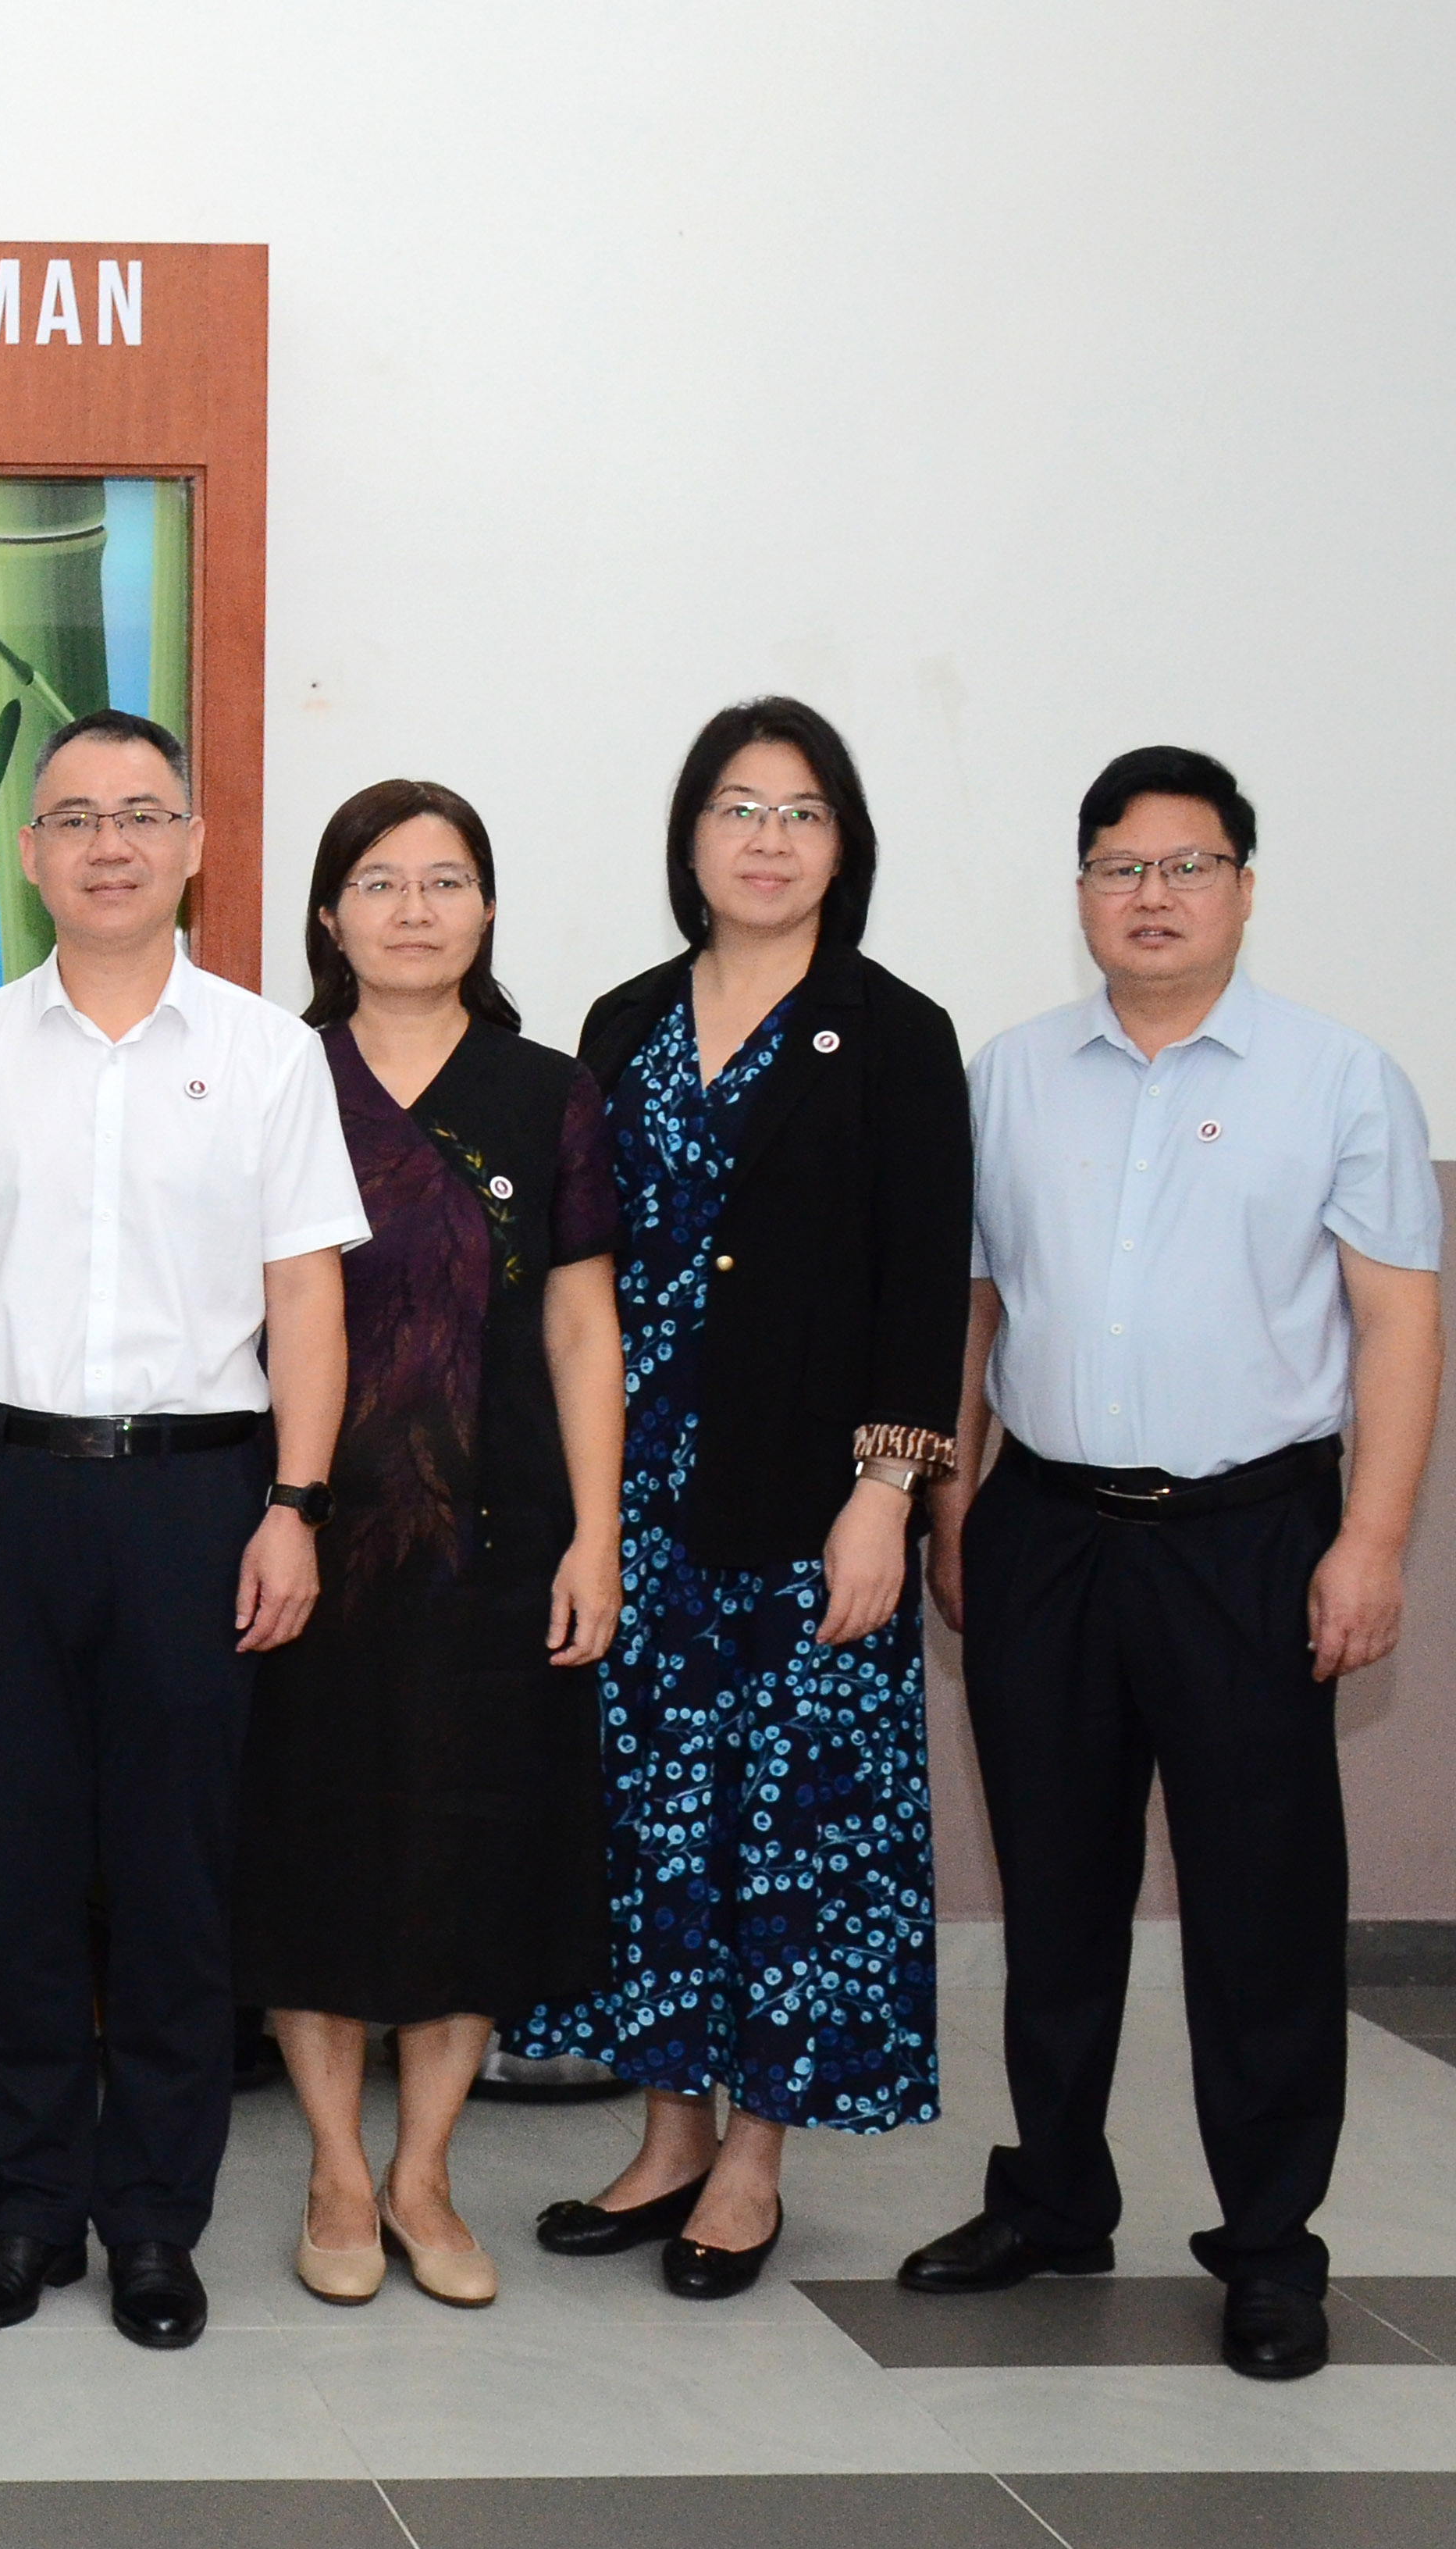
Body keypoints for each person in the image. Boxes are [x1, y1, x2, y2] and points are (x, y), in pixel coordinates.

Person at [901, 747, 1440, 2381]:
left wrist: (1371, 1539)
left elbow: (1396, 1320)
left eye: (1184, 866)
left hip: (1252, 1538)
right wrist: (950, 1506)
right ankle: (1055, 2196)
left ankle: (1269, 2246)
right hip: (1045, 1527)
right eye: (1119, 868)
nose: (1150, 896)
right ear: (1079, 891)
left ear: (1243, 886)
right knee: (1053, 1897)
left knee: (1261, 1911)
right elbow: (971, 1311)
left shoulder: (1341, 1077)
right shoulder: (1007, 1073)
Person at [0, 708, 365, 2350]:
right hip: (0, 1492)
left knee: (170, 1885)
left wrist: (294, 1505)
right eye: (73, 818)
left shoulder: (271, 1052)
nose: (107, 844)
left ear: (194, 844)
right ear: (29, 854)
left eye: (141, 814)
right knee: (13, 1872)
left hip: (197, 1502)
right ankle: (23, 2218)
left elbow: (305, 1298)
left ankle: (153, 2223)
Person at [521, 697, 969, 2299]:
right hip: (634, 1508)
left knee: (794, 1840)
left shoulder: (891, 1033)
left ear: (842, 846)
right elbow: (573, 1280)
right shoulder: (623, 1020)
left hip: (807, 1515)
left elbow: (924, 1292)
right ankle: (665, 2136)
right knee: (646, 1828)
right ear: (689, 839)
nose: (766, 839)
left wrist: (886, 1498)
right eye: (736, 807)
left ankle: (756, 2161)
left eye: (800, 812)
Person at [233, 782, 621, 2311]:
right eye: (378, 882)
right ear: (327, 916)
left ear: (484, 910)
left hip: (497, 1535)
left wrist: (595, 1534)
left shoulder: (545, 1092)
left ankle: (424, 2173)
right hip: (308, 1539)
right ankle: (336, 2168)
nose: (411, 908)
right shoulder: (273, 1079)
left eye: (444, 881)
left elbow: (585, 1326)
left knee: (474, 1858)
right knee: (317, 1852)